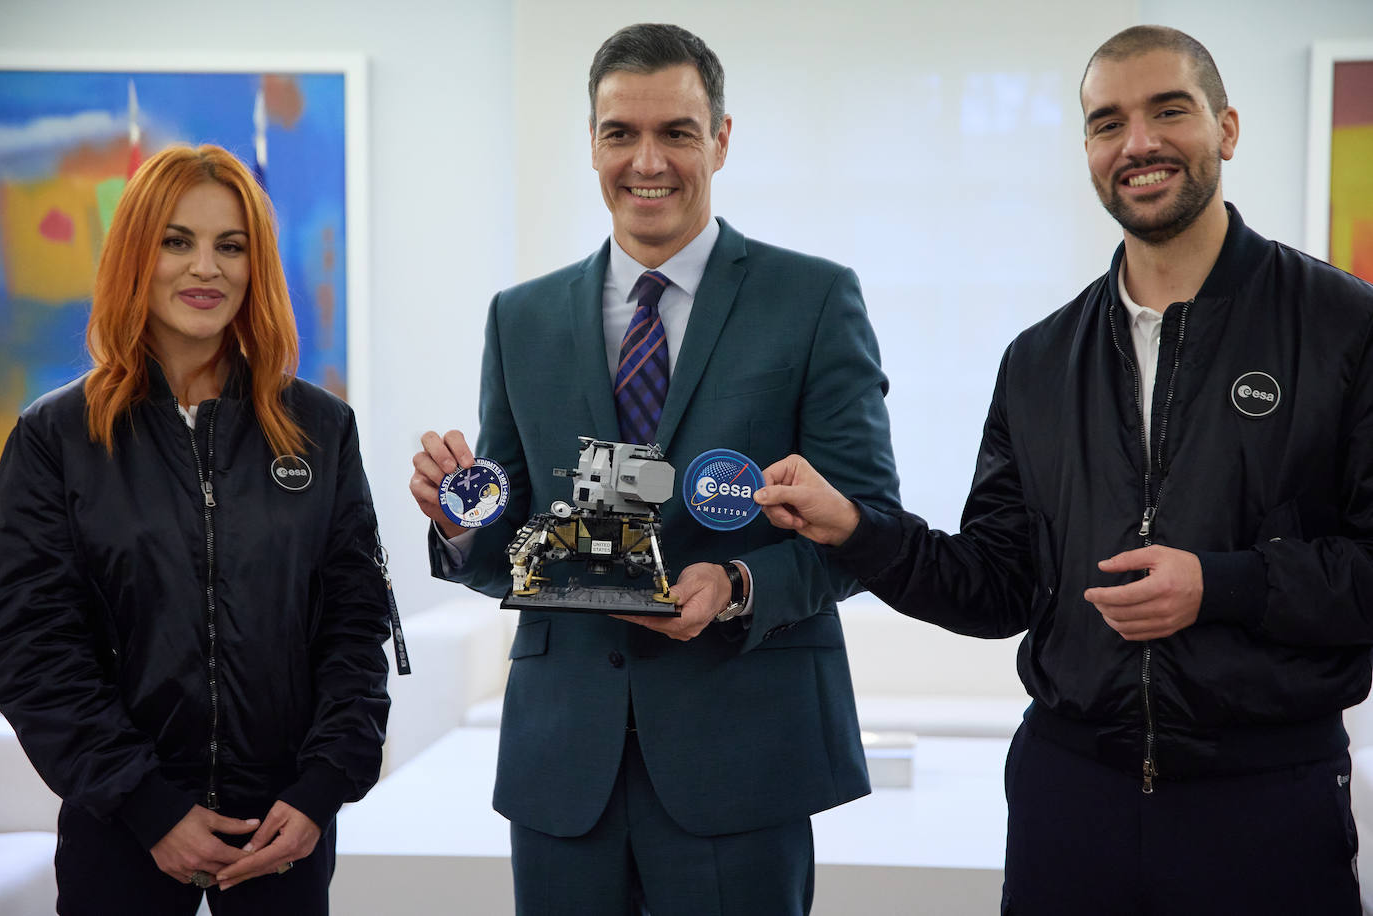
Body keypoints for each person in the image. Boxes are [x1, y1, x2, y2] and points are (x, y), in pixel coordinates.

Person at [755, 25, 1372, 916]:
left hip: (1268, 797)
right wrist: (857, 531)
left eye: (1170, 111)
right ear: (1087, 149)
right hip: (1069, 798)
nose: (1138, 143)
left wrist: (1221, 585)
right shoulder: (1039, 359)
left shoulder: (1342, 326)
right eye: (1106, 122)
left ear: (1227, 129)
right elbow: (1000, 586)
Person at [409, 23, 899, 915]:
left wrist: (741, 582)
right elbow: (508, 532)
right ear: (590, 143)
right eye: (619, 133)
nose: (648, 161)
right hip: (566, 765)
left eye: (676, 131)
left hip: (743, 753)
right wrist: (459, 522)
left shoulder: (813, 300)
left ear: (719, 138)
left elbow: (866, 526)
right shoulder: (520, 318)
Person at [0, 144, 393, 915]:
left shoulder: (320, 429)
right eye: (176, 241)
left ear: (257, 267)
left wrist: (320, 792)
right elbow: (32, 646)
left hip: (283, 830)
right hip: (121, 828)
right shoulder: (56, 437)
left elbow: (355, 626)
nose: (204, 268)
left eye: (230, 246)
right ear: (136, 255)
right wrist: (147, 805)